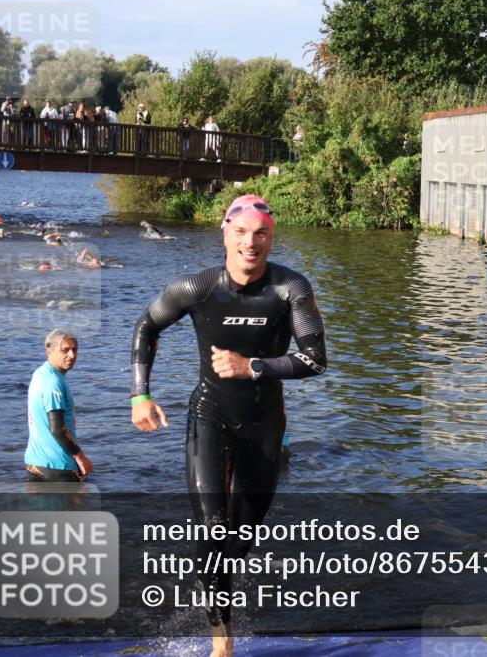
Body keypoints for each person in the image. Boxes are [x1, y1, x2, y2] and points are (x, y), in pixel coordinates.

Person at [130, 194, 327, 657]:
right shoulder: (196, 288)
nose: (250, 242)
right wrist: (140, 394)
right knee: (211, 528)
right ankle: (224, 642)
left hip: (264, 425)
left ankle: (213, 579)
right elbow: (146, 326)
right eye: (240, 232)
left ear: (270, 238)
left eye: (260, 234)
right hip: (209, 416)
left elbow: (315, 361)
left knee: (240, 537)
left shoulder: (290, 289)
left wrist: (252, 366)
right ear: (225, 233)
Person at [26, 329, 93, 482]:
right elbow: (57, 429)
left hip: (35, 464)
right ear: (48, 351)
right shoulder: (53, 383)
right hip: (58, 467)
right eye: (65, 350)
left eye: (74, 349)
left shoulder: (40, 374)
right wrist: (81, 457)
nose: (72, 355)